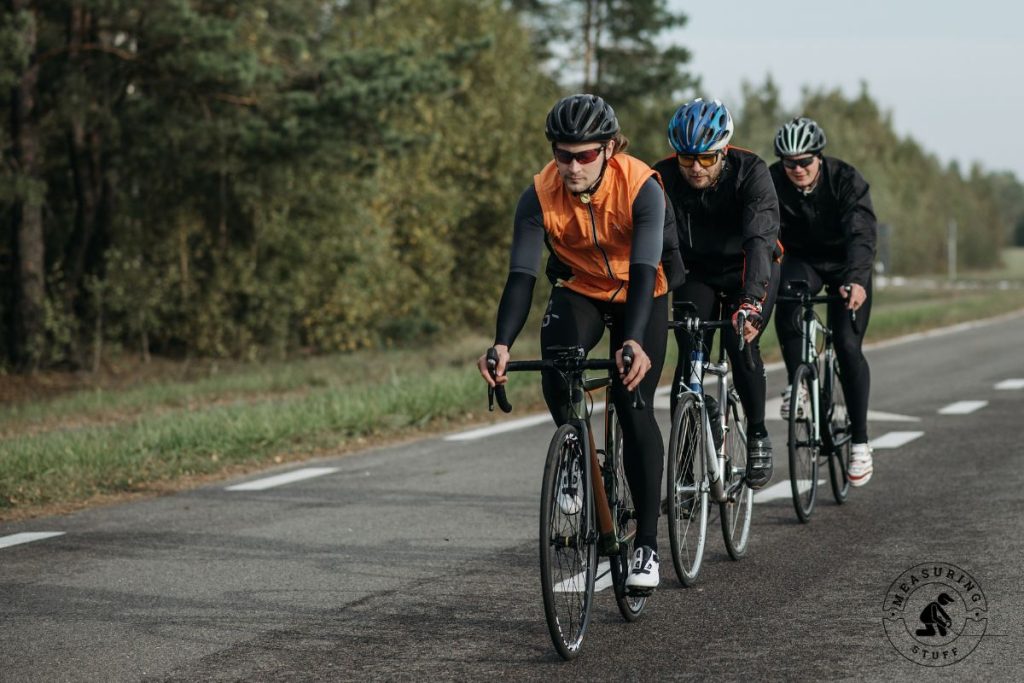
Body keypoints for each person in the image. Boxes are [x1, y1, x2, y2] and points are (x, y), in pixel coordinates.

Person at [476, 94, 678, 591]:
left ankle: (647, 544)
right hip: (582, 288)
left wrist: (633, 340)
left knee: (632, 402)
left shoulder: (642, 186)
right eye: (562, 154)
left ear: (609, 149)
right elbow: (521, 276)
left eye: (584, 155)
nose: (572, 167)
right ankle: (575, 457)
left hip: (640, 291)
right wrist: (501, 343)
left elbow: (645, 268)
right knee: (557, 367)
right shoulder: (539, 194)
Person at [653, 98, 781, 490]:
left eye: (706, 159)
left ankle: (757, 433)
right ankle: (684, 474)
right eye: (687, 158)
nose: (695, 168)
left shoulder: (751, 172)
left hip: (748, 269)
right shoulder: (661, 177)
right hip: (696, 272)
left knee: (740, 344)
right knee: (689, 357)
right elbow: (652, 242)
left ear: (723, 152)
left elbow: (760, 241)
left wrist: (751, 301)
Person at [770, 116, 877, 486]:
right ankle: (798, 384)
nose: (797, 170)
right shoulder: (772, 181)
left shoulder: (846, 180)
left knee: (847, 345)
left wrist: (857, 280)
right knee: (785, 293)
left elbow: (862, 234)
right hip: (804, 261)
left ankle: (860, 442)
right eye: (790, 164)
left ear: (819, 157)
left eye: (805, 162)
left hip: (847, 262)